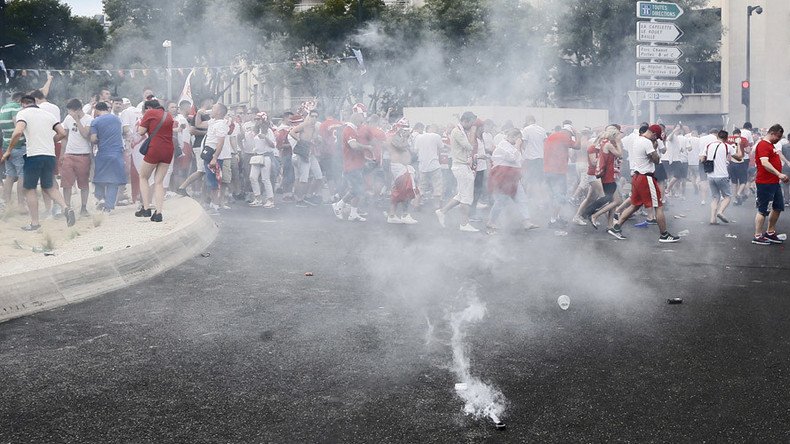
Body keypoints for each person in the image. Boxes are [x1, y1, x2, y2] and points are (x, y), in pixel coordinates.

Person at [0, 95, 75, 230]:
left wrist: (8, 150)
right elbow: (62, 133)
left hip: (34, 155)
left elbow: (17, 132)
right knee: (49, 187)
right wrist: (50, 141)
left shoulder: (23, 113)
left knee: (29, 189)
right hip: (50, 155)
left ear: (23, 104)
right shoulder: (48, 114)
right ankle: (66, 208)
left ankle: (35, 223)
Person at [608, 124, 680, 243]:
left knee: (634, 205)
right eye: (656, 138)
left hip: (637, 176)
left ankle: (617, 227)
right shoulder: (647, 142)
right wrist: (655, 147)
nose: (656, 140)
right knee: (658, 206)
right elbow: (656, 160)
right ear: (654, 134)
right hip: (646, 177)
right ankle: (664, 234)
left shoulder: (638, 140)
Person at [485, 128, 538, 234]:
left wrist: (520, 175)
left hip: (512, 177)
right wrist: (518, 145)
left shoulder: (512, 146)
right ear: (513, 137)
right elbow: (512, 158)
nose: (520, 141)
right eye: (519, 139)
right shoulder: (503, 145)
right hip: (502, 177)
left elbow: (518, 161)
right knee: (501, 201)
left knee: (521, 199)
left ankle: (526, 222)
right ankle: (491, 221)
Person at [435, 111, 479, 232]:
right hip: (461, 166)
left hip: (462, 166)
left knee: (461, 195)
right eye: (472, 123)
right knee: (466, 197)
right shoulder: (457, 132)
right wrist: (473, 132)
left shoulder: (460, 130)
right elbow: (470, 147)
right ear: (466, 121)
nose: (472, 125)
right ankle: (464, 224)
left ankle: (442, 211)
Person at [136, 99, 175, 222]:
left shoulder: (150, 113)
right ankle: (158, 213)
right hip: (168, 150)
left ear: (148, 108)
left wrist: (144, 124)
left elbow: (141, 131)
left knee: (143, 177)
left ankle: (146, 208)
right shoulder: (168, 115)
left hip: (155, 148)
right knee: (159, 182)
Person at [752, 124, 789, 245]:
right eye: (778, 136)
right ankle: (757, 235)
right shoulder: (763, 144)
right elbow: (764, 163)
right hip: (765, 183)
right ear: (773, 133)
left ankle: (770, 232)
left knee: (778, 207)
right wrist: (779, 174)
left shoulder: (770, 145)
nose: (779, 139)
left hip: (774, 182)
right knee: (763, 210)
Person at [331, 111, 371, 222]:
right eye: (361, 120)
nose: (362, 123)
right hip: (351, 166)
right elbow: (353, 146)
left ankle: (353, 213)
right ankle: (339, 205)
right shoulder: (349, 130)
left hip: (356, 164)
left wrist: (365, 158)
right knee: (357, 189)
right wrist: (367, 147)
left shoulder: (353, 130)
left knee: (358, 189)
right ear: (357, 119)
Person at [585, 125, 624, 230]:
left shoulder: (604, 143)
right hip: (608, 176)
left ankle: (610, 225)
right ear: (614, 135)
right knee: (617, 201)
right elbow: (620, 154)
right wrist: (619, 143)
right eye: (618, 134)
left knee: (613, 201)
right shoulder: (608, 144)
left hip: (609, 175)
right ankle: (594, 215)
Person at [90, 102, 126, 213]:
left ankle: (100, 199)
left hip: (104, 153)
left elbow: (93, 139)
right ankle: (109, 206)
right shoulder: (116, 119)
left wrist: (98, 140)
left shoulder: (95, 121)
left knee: (100, 178)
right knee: (113, 180)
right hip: (117, 153)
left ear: (96, 110)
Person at [543, 123, 581, 226]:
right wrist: (578, 134)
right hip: (558, 171)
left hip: (548, 170)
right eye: (571, 135)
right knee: (560, 196)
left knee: (555, 195)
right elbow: (578, 146)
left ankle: (557, 217)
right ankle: (553, 220)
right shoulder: (564, 137)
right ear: (569, 133)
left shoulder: (552, 136)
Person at [61, 99, 94, 216]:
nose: (69, 113)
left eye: (71, 111)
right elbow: (64, 137)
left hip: (83, 154)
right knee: (66, 183)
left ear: (77, 110)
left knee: (83, 183)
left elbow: (85, 134)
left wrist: (77, 120)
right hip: (69, 154)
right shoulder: (67, 119)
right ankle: (67, 208)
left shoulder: (89, 119)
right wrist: (61, 154)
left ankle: (84, 207)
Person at [702, 130, 741, 225]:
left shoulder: (709, 145)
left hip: (711, 175)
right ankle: (720, 212)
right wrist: (738, 144)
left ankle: (712, 219)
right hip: (722, 175)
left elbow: (702, 158)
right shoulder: (727, 146)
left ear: (718, 136)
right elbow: (739, 157)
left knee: (715, 197)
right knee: (727, 196)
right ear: (726, 138)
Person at [386, 119, 418, 224]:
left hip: (403, 167)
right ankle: (404, 215)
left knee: (400, 191)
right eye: (405, 128)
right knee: (405, 191)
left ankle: (392, 215)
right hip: (398, 167)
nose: (406, 131)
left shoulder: (399, 137)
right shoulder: (393, 136)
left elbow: (412, 151)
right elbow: (400, 146)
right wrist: (405, 137)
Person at [1, 92, 27, 212]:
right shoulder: (16, 108)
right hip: (18, 145)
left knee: (10, 175)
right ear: (20, 100)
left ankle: (6, 204)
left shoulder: (3, 108)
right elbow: (18, 127)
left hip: (6, 146)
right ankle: (21, 204)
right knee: (22, 175)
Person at [248, 112, 276, 208]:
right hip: (257, 156)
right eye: (255, 119)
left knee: (265, 178)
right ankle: (258, 198)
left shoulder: (268, 131)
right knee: (252, 177)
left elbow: (273, 145)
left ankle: (270, 199)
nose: (256, 121)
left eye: (258, 119)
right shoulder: (256, 130)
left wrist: (265, 138)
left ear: (263, 120)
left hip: (266, 156)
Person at [415, 125, 445, 209]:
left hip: (422, 165)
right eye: (436, 128)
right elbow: (441, 148)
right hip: (434, 165)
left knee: (421, 186)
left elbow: (415, 150)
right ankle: (437, 205)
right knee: (437, 185)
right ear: (431, 129)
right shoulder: (436, 136)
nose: (437, 130)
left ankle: (416, 203)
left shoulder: (419, 137)